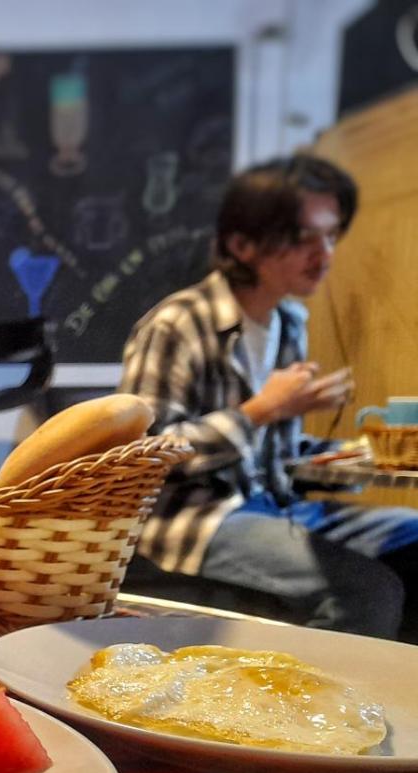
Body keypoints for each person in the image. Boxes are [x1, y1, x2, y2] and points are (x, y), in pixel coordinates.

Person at [120, 154, 418, 641]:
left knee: (413, 538)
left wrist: (364, 457)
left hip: (277, 505)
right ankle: (317, 691)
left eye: (330, 236)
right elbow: (144, 457)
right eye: (302, 239)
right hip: (194, 518)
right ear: (242, 244)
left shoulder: (289, 322)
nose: (324, 255)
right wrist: (263, 409)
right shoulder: (178, 323)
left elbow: (274, 458)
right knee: (363, 591)